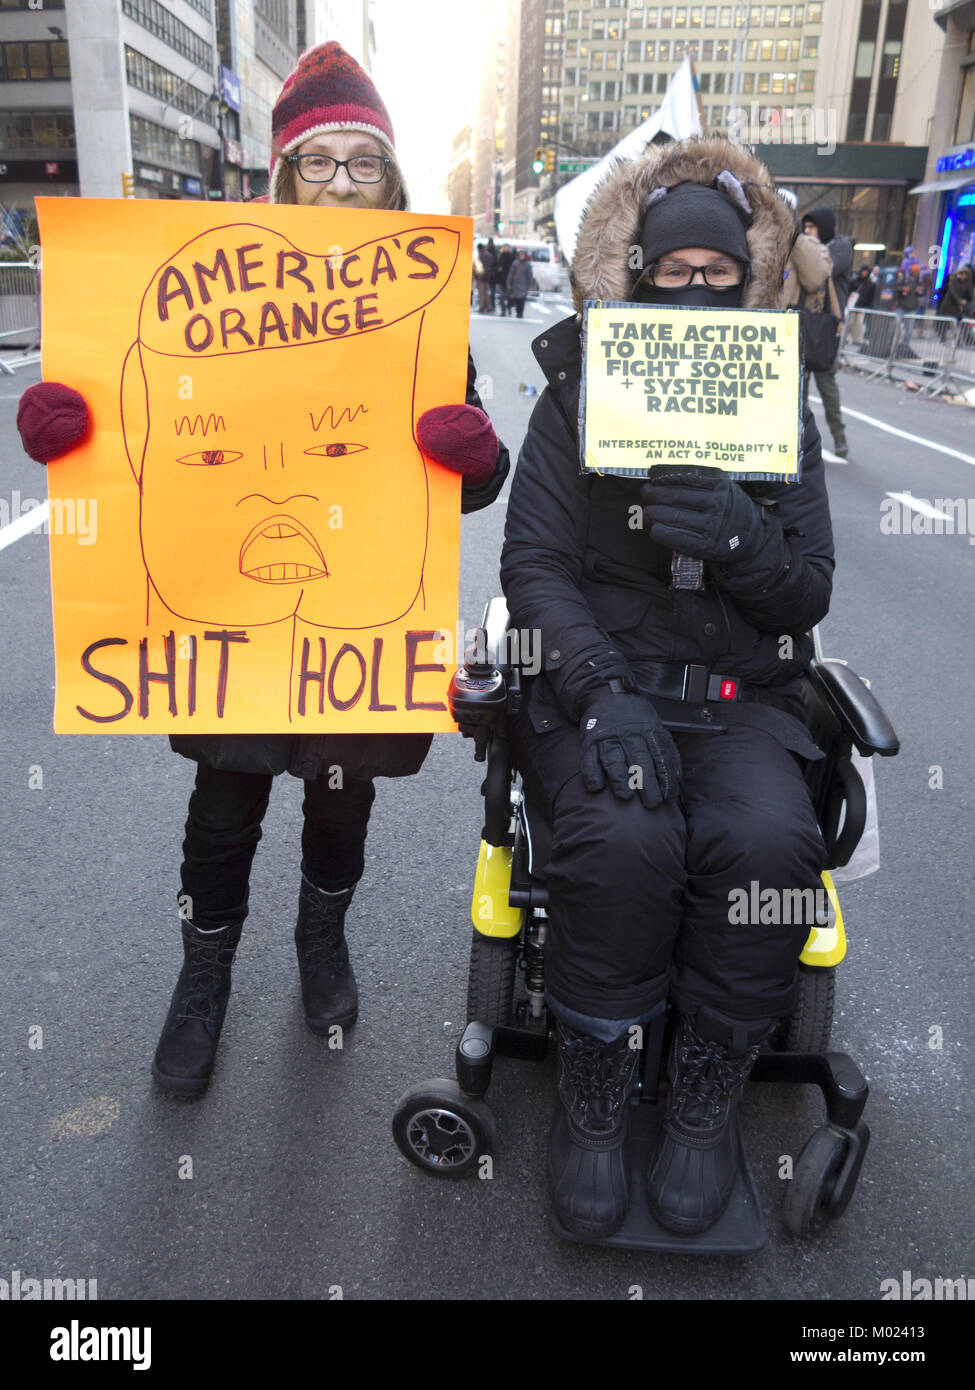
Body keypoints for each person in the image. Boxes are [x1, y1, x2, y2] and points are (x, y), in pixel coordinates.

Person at [17, 42, 510, 1098]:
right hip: (234, 615)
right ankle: (204, 978)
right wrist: (70, 432)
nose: (339, 180)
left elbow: (460, 487)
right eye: (318, 161)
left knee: (341, 801)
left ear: (392, 180)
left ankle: (319, 941)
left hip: (356, 619)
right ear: (283, 175)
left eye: (360, 162)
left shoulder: (424, 308)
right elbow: (135, 421)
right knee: (224, 800)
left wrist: (478, 455)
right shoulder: (203, 281)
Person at [500, 136, 833, 1239]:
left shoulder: (779, 408)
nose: (698, 285)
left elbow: (806, 593)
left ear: (750, 272)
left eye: (720, 269)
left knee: (771, 843)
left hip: (741, 695)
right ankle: (594, 1096)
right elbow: (535, 564)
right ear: (638, 272)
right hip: (609, 688)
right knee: (621, 835)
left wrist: (748, 538)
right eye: (675, 269)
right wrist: (597, 687)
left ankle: (704, 1094)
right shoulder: (575, 396)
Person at [802, 206, 852, 458]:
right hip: (805, 323)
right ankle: (801, 437)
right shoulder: (808, 249)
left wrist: (807, 247)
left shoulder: (841, 247)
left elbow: (825, 269)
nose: (807, 232)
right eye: (805, 228)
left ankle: (838, 434)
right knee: (799, 385)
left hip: (826, 326)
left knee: (826, 383)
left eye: (811, 227)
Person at [505, 248, 537, 318]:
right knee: (516, 299)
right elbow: (511, 273)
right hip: (516, 284)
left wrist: (531, 283)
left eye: (523, 255)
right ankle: (517, 311)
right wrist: (508, 283)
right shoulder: (515, 263)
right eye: (520, 255)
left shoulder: (528, 264)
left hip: (524, 284)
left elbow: (530, 274)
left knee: (522, 299)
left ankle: (521, 312)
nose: (521, 256)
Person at [495, 243, 514, 316]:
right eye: (504, 247)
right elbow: (497, 265)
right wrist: (498, 269)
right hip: (502, 279)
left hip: (509, 280)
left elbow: (513, 269)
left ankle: (508, 309)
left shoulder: (511, 256)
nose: (505, 249)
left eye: (507, 247)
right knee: (502, 296)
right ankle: (503, 310)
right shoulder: (501, 255)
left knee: (509, 296)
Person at [475, 241, 494, 313]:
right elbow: (491, 265)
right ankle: (489, 307)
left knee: (481, 293)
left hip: (480, 276)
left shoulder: (479, 255)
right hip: (488, 276)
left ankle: (481, 307)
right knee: (487, 292)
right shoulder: (489, 255)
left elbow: (477, 266)